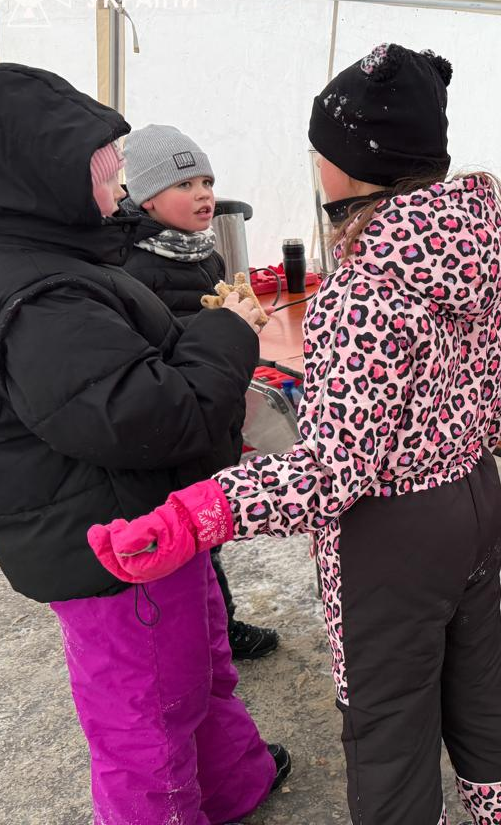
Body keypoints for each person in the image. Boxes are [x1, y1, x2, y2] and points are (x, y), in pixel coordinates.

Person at [90, 44, 501, 824]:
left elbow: (334, 472)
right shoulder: (466, 244)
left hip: (394, 535)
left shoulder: (369, 287)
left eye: (319, 152)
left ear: (348, 165)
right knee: (480, 688)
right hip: (474, 498)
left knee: (389, 731)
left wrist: (200, 511)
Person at [0, 63, 288, 823]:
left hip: (145, 521)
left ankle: (234, 783)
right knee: (146, 720)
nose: (116, 196)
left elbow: (126, 361)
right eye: (103, 179)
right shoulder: (37, 295)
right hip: (108, 546)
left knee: (200, 669)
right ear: (43, 178)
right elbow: (151, 416)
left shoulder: (51, 256)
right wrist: (226, 332)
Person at [121, 123, 281, 660]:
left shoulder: (202, 253)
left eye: (207, 181)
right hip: (176, 411)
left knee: (206, 527)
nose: (204, 194)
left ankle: (217, 625)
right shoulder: (131, 266)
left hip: (212, 403)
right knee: (187, 531)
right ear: (146, 196)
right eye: (185, 184)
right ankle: (212, 632)